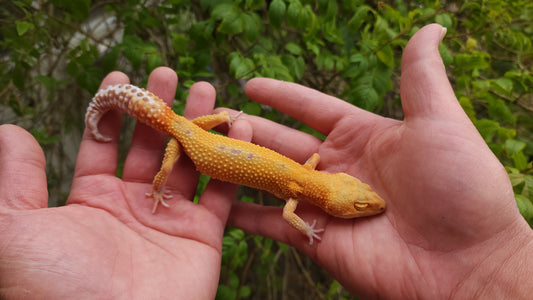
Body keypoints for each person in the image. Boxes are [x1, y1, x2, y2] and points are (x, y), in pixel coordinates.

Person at [0, 23, 531, 299]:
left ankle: (123, 119)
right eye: (364, 203)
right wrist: (161, 185)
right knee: (161, 164)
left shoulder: (313, 175)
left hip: (197, 134)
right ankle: (144, 163)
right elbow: (289, 215)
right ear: (335, 195)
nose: (370, 204)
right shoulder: (303, 192)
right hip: (188, 140)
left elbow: (316, 161)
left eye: (362, 204)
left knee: (172, 123)